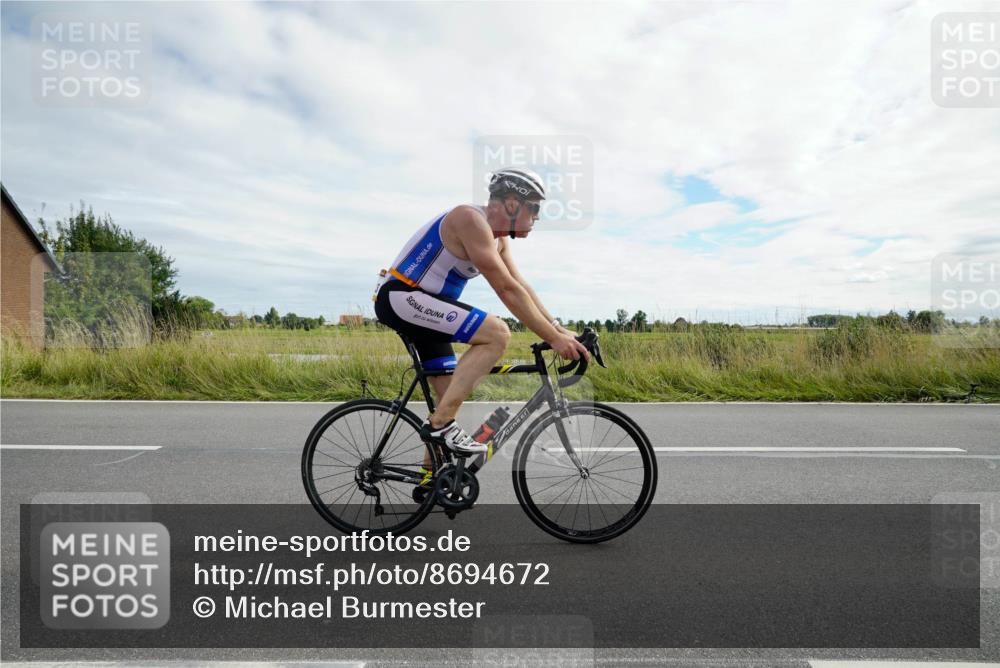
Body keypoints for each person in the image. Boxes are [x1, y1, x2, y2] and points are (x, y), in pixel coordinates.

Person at [373, 168, 589, 458]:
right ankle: (440, 424)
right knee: (497, 334)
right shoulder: (470, 220)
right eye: (535, 207)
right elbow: (505, 290)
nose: (537, 216)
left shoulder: (499, 240)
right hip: (403, 297)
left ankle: (431, 480)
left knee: (450, 395)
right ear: (512, 203)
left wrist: (559, 330)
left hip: (425, 307)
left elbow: (518, 285)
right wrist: (552, 338)